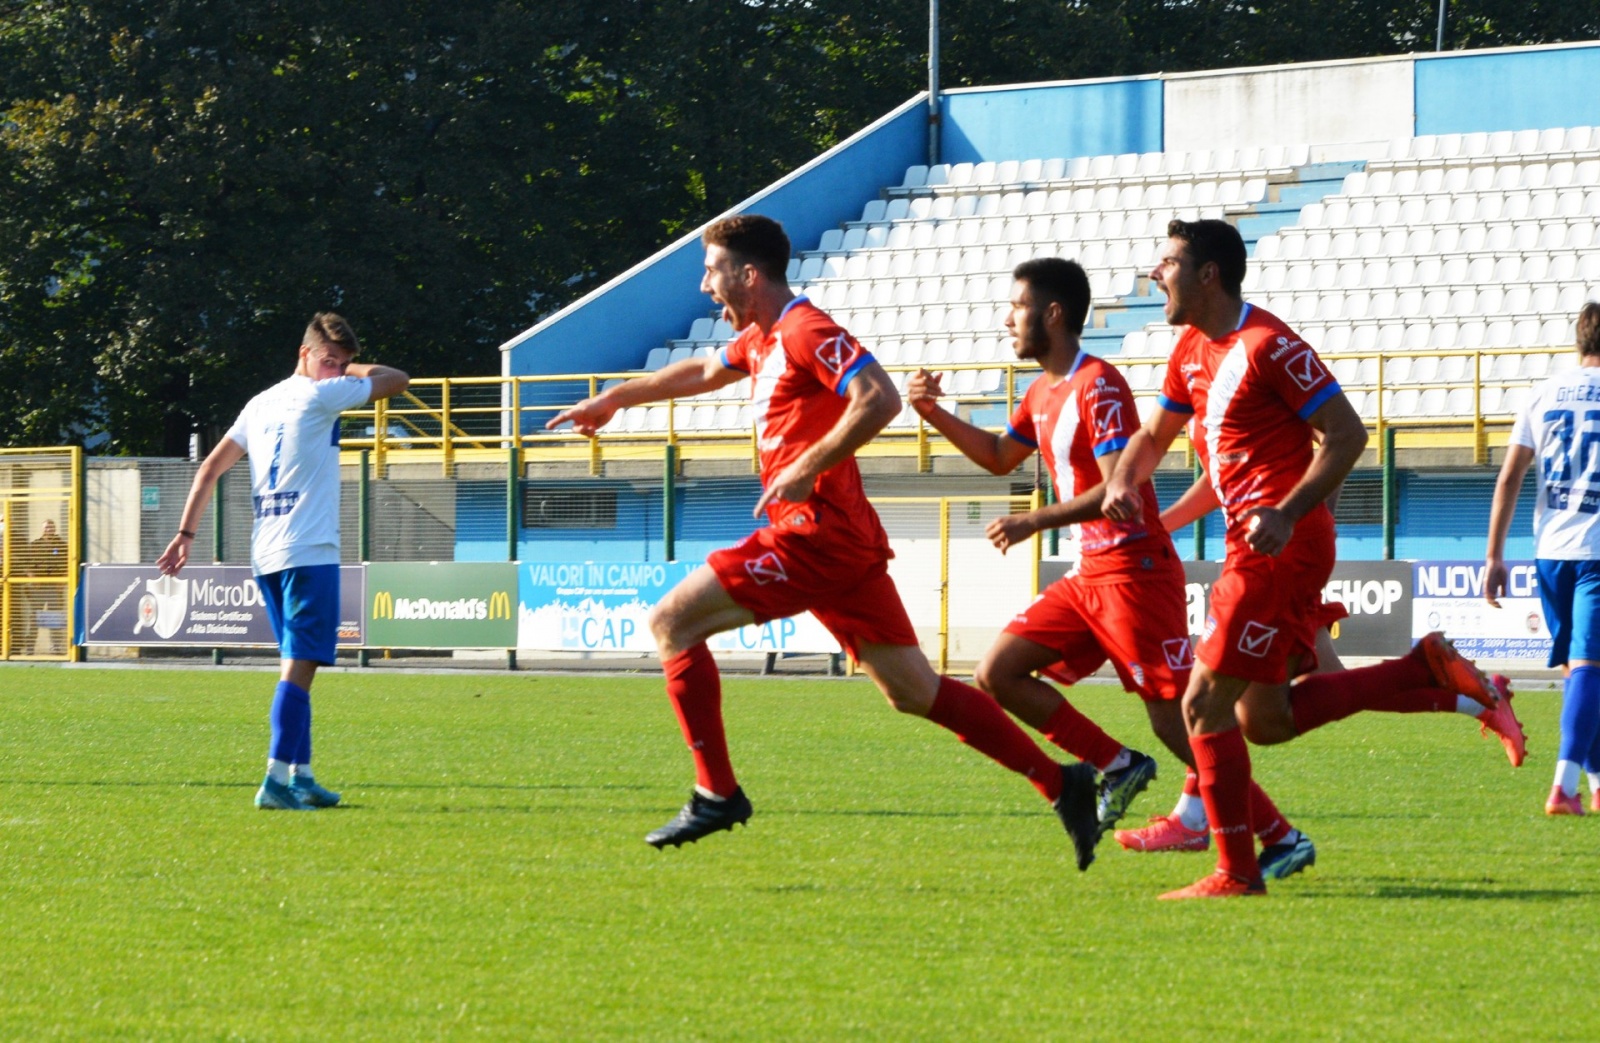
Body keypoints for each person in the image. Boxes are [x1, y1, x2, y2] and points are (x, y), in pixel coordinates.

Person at [546, 214, 1105, 867]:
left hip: (817, 534)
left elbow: (879, 397)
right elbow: (701, 371)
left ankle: (716, 791)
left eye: (712, 270)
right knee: (914, 690)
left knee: (671, 622)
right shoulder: (762, 338)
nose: (705, 286)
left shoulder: (806, 329)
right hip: (842, 544)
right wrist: (614, 399)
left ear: (749, 275)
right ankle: (1060, 781)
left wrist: (805, 466)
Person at [1102, 218, 1523, 899]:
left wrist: (1287, 511)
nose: (1156, 273)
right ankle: (1421, 668)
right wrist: (1124, 477)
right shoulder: (1188, 350)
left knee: (1201, 703)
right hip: (1257, 541)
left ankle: (1237, 870)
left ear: (1209, 274)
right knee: (1262, 721)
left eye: (1168, 262)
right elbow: (1153, 435)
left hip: (1280, 545)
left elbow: (1348, 433)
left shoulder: (1270, 345)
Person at [904, 256, 1314, 879]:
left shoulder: (1098, 385)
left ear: (1054, 314)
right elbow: (996, 456)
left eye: (1017, 308)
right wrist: (933, 414)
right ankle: (1117, 765)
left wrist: (1033, 521)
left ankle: (1278, 835)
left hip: (1133, 569)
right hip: (1090, 573)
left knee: (1181, 722)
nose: (1007, 320)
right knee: (999, 671)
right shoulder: (1041, 391)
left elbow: (1117, 487)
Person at [157, 313, 408, 810]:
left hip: (267, 552)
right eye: (329, 361)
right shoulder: (321, 395)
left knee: (301, 663)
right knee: (299, 666)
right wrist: (357, 373)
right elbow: (399, 380)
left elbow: (210, 467)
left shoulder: (260, 402)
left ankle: (302, 776)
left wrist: (186, 533)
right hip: (308, 550)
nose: (335, 371)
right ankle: (274, 779)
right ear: (304, 354)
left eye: (343, 365)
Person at [1486, 301, 1600, 815]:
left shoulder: (1544, 392)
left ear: (1580, 341)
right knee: (1589, 669)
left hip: (1550, 552)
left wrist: (1494, 556)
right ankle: (1564, 787)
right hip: (1597, 552)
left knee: (1583, 670)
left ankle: (1595, 783)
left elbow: (1509, 477)